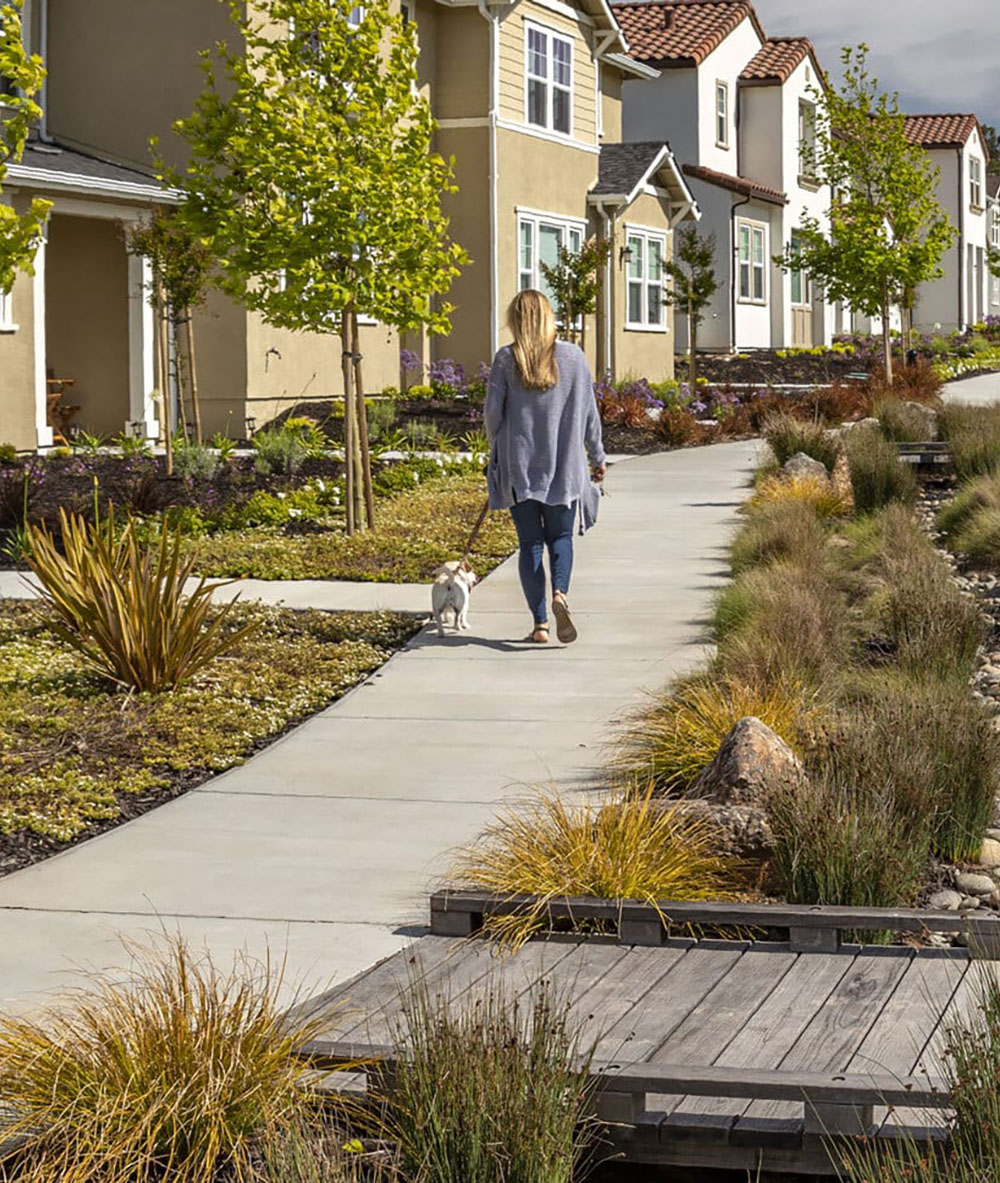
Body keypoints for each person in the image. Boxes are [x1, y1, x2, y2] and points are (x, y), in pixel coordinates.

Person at [484, 290, 606, 645]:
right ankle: (560, 595)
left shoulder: (507, 360)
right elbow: (589, 414)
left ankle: (540, 625)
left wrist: (495, 448)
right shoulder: (574, 357)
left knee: (530, 543)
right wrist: (598, 456)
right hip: (565, 466)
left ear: (516, 319)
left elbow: (493, 415)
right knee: (562, 537)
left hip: (519, 467)